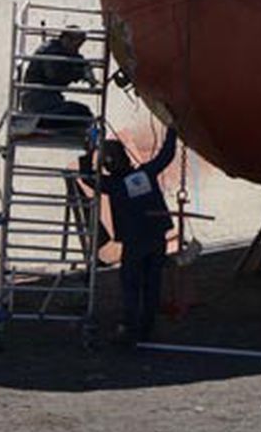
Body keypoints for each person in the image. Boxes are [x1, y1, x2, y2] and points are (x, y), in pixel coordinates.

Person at [82, 126, 177, 343]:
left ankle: (131, 327)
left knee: (131, 285)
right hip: (156, 237)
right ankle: (146, 328)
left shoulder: (112, 184)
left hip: (134, 243)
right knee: (152, 283)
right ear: (125, 158)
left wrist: (89, 150)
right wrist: (173, 130)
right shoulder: (145, 174)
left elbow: (87, 178)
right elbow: (166, 155)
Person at [21, 26, 97, 136]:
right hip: (40, 106)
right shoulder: (50, 51)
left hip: (48, 104)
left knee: (84, 113)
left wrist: (87, 72)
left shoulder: (64, 52)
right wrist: (79, 73)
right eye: (76, 44)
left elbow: (80, 61)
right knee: (82, 113)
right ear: (65, 39)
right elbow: (55, 74)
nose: (76, 49)